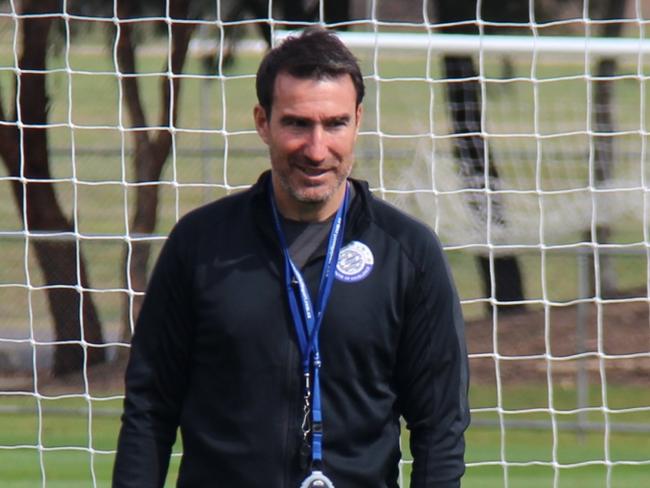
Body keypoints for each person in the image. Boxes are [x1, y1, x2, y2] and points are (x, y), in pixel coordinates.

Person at [113, 28, 469, 488]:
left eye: (335, 123)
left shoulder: (409, 254)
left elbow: (440, 426)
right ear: (264, 121)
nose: (317, 150)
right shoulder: (199, 245)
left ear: (358, 120)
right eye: (298, 124)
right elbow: (149, 409)